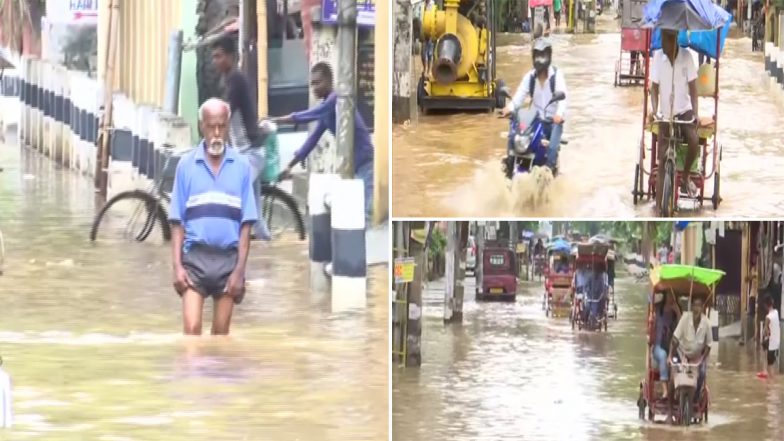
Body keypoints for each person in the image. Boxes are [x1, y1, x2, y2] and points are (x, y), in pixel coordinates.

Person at [168, 98, 257, 336]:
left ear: (228, 126)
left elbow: (246, 227)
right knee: (192, 331)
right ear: (201, 127)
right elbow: (177, 223)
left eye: (221, 126)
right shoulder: (186, 166)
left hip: (228, 261)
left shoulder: (242, 167)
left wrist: (239, 271)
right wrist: (177, 266)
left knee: (220, 336)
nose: (216, 133)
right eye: (211, 126)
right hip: (195, 259)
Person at [272, 62, 375, 223]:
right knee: (355, 215)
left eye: (317, 82)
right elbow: (311, 141)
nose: (314, 88)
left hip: (366, 163)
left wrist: (277, 120)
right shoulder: (326, 112)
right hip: (353, 166)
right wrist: (289, 166)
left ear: (329, 81)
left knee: (365, 214)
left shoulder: (335, 100)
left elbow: (309, 114)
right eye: (312, 83)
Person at [210, 36, 272, 241]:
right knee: (255, 217)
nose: (215, 61)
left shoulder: (236, 79)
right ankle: (267, 250)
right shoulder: (229, 79)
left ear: (230, 56)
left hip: (251, 153)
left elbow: (225, 116)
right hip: (244, 153)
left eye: (219, 56)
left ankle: (228, 247)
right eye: (213, 57)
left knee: (230, 195)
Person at [648, 28, 700, 208]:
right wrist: (654, 110)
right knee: (662, 156)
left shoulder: (687, 57)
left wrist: (696, 113)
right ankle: (659, 206)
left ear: (675, 37)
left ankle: (685, 176)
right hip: (665, 114)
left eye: (667, 38)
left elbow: (693, 89)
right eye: (662, 37)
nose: (663, 42)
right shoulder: (657, 57)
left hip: (684, 111)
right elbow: (653, 88)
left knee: (694, 140)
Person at [501, 38, 567, 174]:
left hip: (553, 122)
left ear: (549, 56)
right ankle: (509, 166)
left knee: (552, 150)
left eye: (543, 55)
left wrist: (559, 114)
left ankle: (548, 174)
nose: (540, 59)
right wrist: (509, 108)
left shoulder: (556, 76)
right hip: (535, 121)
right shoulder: (529, 77)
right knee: (513, 135)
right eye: (537, 55)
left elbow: (563, 99)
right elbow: (519, 97)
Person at [668, 296, 712, 423]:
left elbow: (709, 345)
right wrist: (670, 355)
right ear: (692, 307)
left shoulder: (707, 324)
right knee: (673, 376)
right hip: (682, 353)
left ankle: (696, 397)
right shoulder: (685, 318)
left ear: (702, 308)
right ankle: (670, 411)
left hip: (697, 357)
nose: (697, 308)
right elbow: (675, 339)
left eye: (699, 305)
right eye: (695, 305)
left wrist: (703, 359)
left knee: (702, 373)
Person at [652, 293, 681, 398]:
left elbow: (681, 328)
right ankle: (665, 390)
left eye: (673, 295)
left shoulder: (676, 312)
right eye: (669, 294)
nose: (671, 298)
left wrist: (677, 312)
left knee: (679, 360)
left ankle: (678, 389)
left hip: (673, 347)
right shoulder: (658, 309)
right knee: (663, 355)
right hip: (659, 347)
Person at [759, 295, 780, 379]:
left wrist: (766, 332)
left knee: (770, 364)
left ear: (765, 305)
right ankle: (765, 371)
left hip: (772, 343)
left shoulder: (768, 317)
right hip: (776, 341)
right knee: (764, 345)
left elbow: (765, 331)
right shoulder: (776, 312)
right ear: (772, 303)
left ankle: (772, 383)